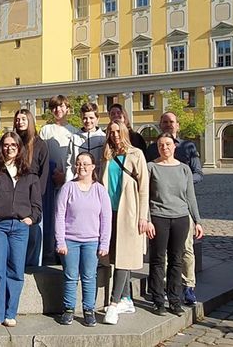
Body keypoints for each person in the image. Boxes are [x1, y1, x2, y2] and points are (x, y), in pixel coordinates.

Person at [0, 131, 42, 331]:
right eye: (6, 144)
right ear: (1, 147)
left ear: (19, 147)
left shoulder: (29, 173)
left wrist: (30, 219)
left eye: (13, 145)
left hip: (20, 228)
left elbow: (37, 205)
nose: (9, 148)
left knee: (16, 271)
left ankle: (10, 313)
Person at [145, 111, 203, 305]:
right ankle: (160, 292)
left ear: (177, 125)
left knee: (184, 252)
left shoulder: (188, 148)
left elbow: (197, 175)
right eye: (165, 122)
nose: (168, 125)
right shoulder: (152, 153)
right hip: (159, 212)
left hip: (181, 209)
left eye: (171, 122)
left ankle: (188, 287)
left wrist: (181, 179)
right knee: (161, 256)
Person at [98, 122, 149, 325]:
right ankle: (127, 299)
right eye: (111, 132)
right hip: (108, 211)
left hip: (129, 211)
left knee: (124, 256)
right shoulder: (106, 155)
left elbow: (144, 187)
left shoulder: (136, 154)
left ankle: (113, 304)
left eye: (118, 131)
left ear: (125, 133)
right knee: (114, 255)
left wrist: (143, 217)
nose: (115, 135)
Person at [54, 152, 111, 327]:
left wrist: (104, 243)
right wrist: (60, 241)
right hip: (70, 240)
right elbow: (59, 216)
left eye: (86, 164)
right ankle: (68, 309)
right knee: (70, 276)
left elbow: (106, 218)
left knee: (89, 276)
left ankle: (89, 310)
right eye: (78, 164)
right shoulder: (67, 188)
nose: (82, 167)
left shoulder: (99, 190)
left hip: (92, 241)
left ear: (93, 167)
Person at [39, 95, 77, 264]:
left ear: (67, 109)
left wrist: (65, 177)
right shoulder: (46, 130)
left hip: (68, 180)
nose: (58, 110)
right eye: (55, 107)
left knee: (67, 217)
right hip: (49, 179)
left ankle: (65, 253)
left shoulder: (74, 131)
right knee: (51, 217)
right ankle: (49, 253)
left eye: (61, 107)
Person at [13, 109, 50, 266]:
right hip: (14, 190)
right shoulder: (12, 142)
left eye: (23, 119)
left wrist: (37, 196)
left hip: (32, 192)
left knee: (33, 233)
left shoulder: (39, 144)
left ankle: (32, 267)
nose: (20, 122)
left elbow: (44, 171)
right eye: (17, 119)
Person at [64, 103, 106, 183]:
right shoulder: (75, 138)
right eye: (85, 118)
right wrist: (68, 183)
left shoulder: (103, 138)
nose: (88, 121)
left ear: (97, 118)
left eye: (91, 118)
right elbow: (70, 164)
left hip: (98, 182)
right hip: (79, 182)